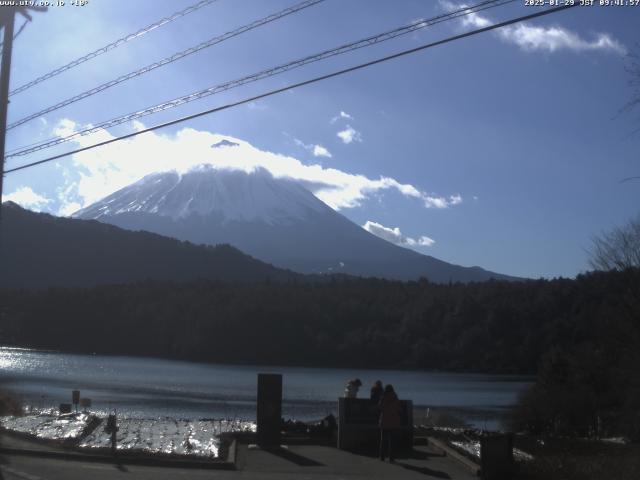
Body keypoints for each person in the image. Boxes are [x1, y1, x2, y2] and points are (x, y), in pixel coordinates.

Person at [378, 384, 402, 462]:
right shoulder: (395, 398)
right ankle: (392, 458)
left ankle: (382, 457)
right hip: (394, 422)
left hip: (384, 421)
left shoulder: (383, 398)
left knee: (383, 440)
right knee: (392, 441)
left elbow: (380, 408)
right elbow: (399, 409)